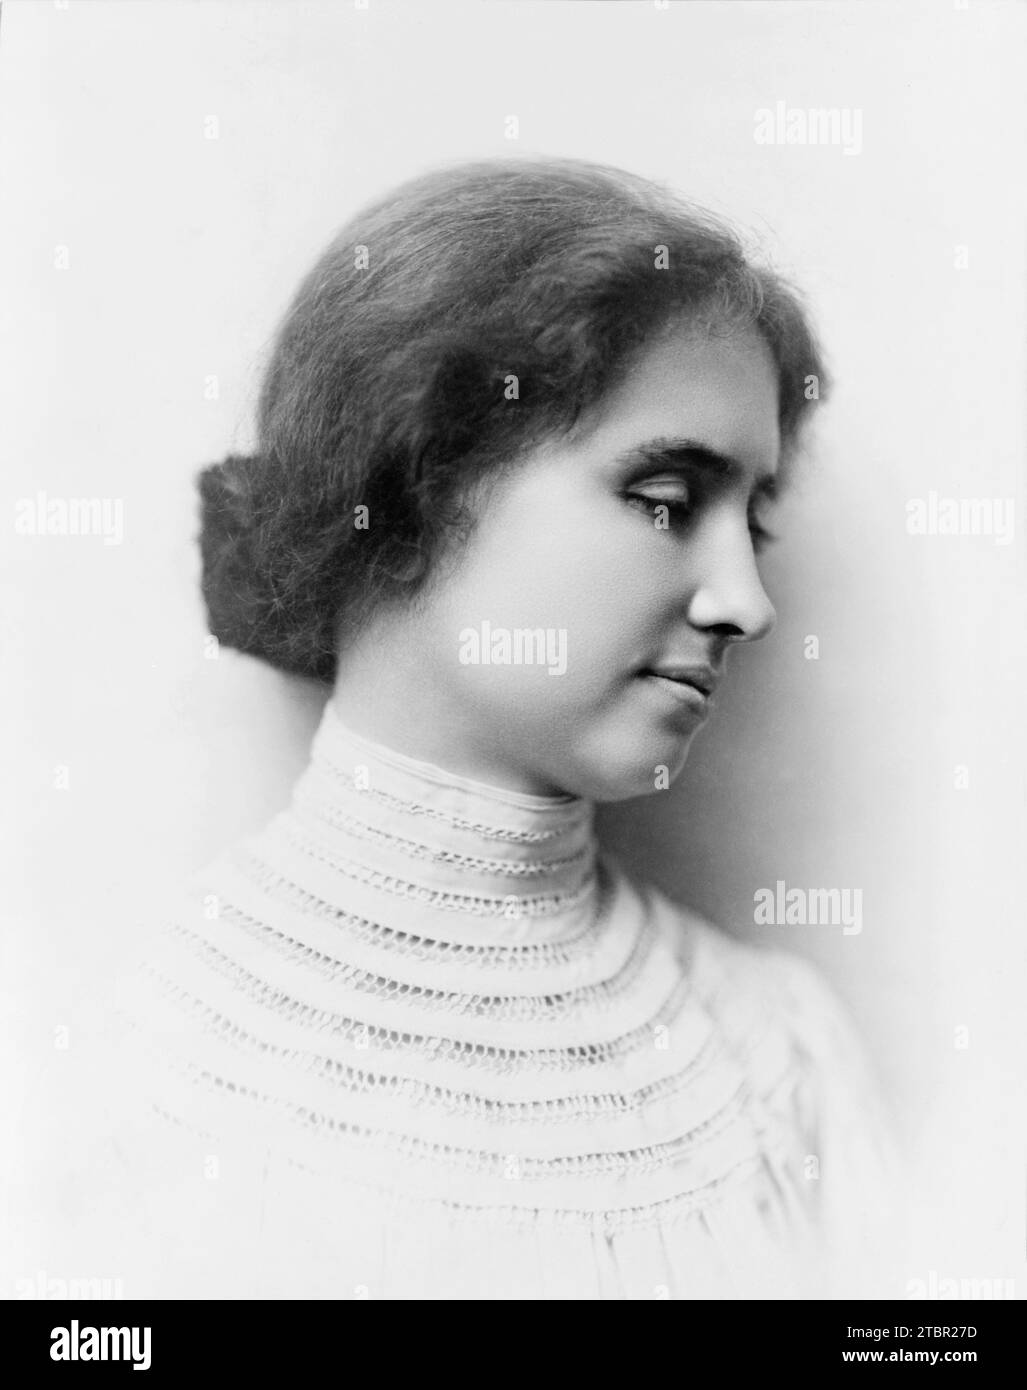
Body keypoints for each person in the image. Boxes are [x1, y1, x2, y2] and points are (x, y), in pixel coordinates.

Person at [62, 157, 898, 1299]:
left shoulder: (775, 1060)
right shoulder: (131, 1082)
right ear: (413, 477)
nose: (745, 603)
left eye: (755, 527)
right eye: (664, 502)